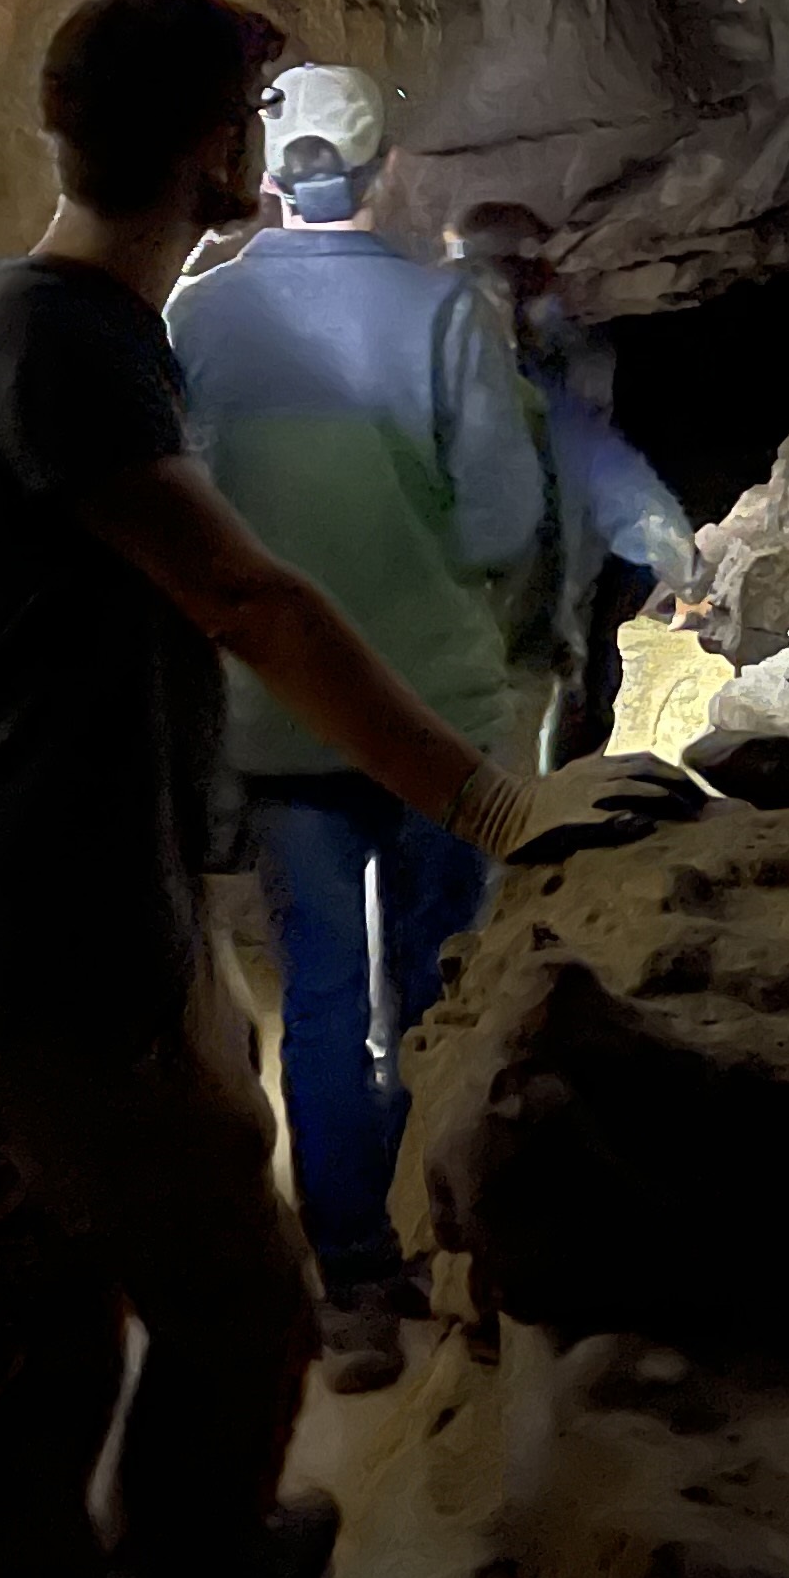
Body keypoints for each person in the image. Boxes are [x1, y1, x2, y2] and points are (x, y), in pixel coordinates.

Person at [0, 0, 699, 1578]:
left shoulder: (112, 324)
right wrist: (493, 789)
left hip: (80, 873)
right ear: (210, 144)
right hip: (56, 901)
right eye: (241, 115)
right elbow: (244, 590)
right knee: (227, 1288)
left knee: (60, 1284)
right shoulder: (70, 339)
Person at [169, 68, 546, 1389]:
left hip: (280, 721)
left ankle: (352, 1292)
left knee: (322, 997)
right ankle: (456, 1244)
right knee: (446, 979)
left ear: (267, 172)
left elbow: (184, 513)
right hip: (436, 716)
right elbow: (503, 520)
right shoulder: (443, 309)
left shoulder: (196, 316)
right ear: (383, 174)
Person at [447, 199, 699, 766]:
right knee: (501, 815)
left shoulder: (410, 376)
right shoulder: (548, 405)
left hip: (415, 653)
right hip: (511, 658)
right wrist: (691, 582)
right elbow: (632, 500)